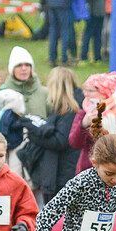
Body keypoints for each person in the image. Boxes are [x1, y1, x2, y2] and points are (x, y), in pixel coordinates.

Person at [18, 67, 81, 203]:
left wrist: (34, 135)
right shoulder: (64, 108)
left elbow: (60, 141)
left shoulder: (69, 110)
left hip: (63, 173)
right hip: (61, 170)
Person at [69, 72, 116, 181]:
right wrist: (83, 124)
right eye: (85, 90)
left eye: (91, 91)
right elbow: (74, 143)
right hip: (87, 176)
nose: (85, 94)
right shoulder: (83, 114)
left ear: (104, 93)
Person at [0, 46, 47, 118]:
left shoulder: (45, 93)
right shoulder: (3, 93)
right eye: (19, 65)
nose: (24, 68)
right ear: (12, 70)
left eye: (27, 65)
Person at [80, 0, 106, 64]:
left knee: (87, 34)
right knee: (98, 35)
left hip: (93, 10)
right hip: (101, 10)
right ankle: (97, 57)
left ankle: (84, 57)